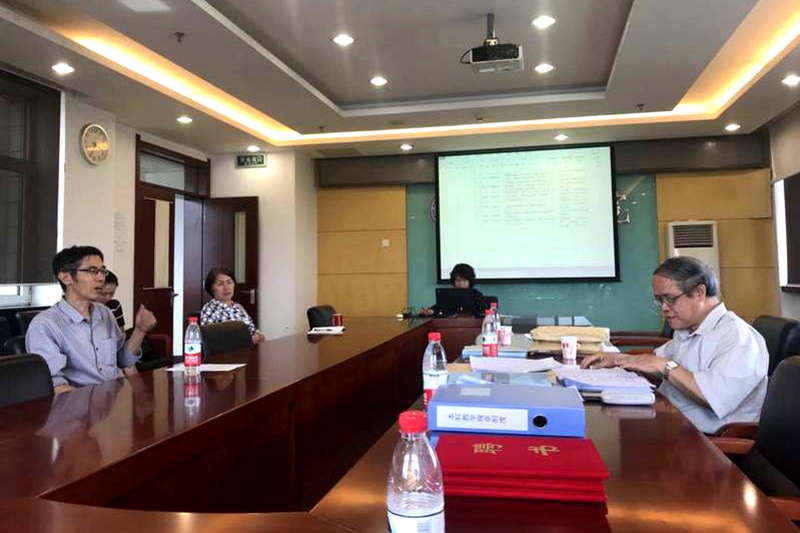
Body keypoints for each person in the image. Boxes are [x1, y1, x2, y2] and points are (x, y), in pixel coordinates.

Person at [581, 256, 768, 434]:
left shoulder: (738, 338)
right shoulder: (688, 328)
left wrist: (665, 366)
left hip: (705, 440)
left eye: (670, 299)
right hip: (668, 421)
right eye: (659, 300)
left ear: (699, 293)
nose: (664, 307)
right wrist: (619, 360)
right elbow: (656, 367)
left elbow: (713, 396)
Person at [26, 246, 157, 393]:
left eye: (102, 271)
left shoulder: (105, 313)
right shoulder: (45, 325)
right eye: (92, 270)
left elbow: (122, 360)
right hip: (78, 405)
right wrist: (97, 404)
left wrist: (140, 330)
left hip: (117, 399)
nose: (101, 278)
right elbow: (55, 386)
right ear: (66, 278)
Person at [200, 267, 265, 344]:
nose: (226, 288)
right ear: (211, 288)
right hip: (227, 351)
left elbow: (252, 328)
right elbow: (210, 340)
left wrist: (258, 335)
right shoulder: (209, 309)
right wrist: (248, 340)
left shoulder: (238, 306)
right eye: (220, 284)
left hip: (248, 349)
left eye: (229, 282)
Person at [421, 263, 485, 316]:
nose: (461, 283)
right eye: (457, 280)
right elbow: (439, 307)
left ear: (470, 281)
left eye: (464, 280)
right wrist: (430, 311)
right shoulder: (448, 294)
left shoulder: (476, 294)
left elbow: (483, 312)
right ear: (453, 281)